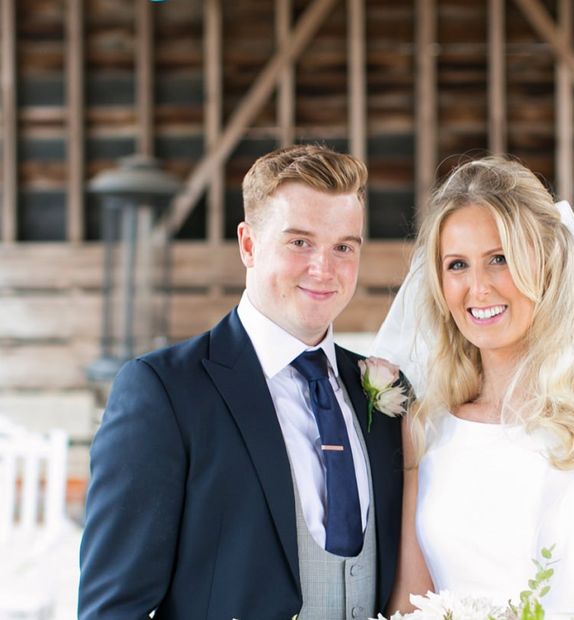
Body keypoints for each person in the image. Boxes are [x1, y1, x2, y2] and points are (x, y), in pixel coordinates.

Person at [78, 145, 404, 620]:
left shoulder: (383, 390)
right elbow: (113, 610)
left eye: (343, 247)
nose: (324, 268)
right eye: (300, 243)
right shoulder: (164, 391)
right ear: (248, 244)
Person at [375, 157, 574, 619]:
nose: (477, 287)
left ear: (547, 265)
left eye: (499, 258)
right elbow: (410, 607)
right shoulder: (425, 426)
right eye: (457, 264)